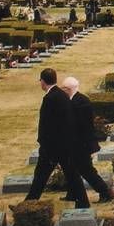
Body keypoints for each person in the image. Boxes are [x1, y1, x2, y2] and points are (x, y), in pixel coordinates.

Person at [24, 68, 89, 208]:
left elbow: (47, 124)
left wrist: (43, 143)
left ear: (43, 81)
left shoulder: (50, 98)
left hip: (53, 146)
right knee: (71, 175)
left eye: (40, 80)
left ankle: (29, 203)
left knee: (41, 176)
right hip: (65, 144)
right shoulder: (61, 94)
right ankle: (83, 202)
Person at [62, 77, 113, 203]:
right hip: (78, 143)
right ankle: (73, 193)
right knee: (72, 169)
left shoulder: (80, 102)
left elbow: (81, 126)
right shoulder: (75, 100)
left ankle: (104, 192)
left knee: (86, 170)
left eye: (63, 89)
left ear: (68, 89)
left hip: (81, 144)